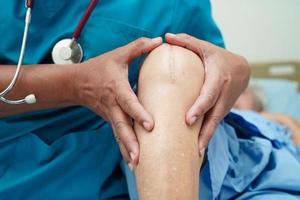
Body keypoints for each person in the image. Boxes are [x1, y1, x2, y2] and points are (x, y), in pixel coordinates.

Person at [0, 0, 249, 199]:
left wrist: (239, 70)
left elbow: (208, 74)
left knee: (175, 65)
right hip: (14, 164)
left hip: (119, 166)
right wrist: (75, 83)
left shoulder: (174, 6)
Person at [126, 38, 300, 199]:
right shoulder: (214, 115)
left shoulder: (266, 119)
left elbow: (293, 129)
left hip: (268, 173)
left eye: (245, 93)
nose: (238, 96)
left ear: (258, 105)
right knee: (172, 63)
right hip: (214, 150)